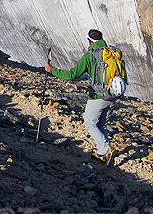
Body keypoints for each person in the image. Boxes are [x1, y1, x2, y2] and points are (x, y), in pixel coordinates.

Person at [45, 29, 117, 165]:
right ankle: (103, 154)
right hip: (113, 95)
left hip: (98, 97)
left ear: (89, 41)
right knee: (102, 124)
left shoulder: (90, 56)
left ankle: (107, 149)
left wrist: (51, 70)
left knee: (90, 124)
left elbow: (72, 75)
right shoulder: (112, 53)